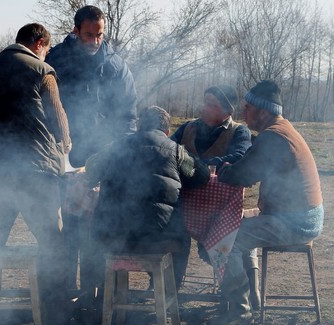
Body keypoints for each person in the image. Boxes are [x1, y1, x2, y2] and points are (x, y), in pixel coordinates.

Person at [0, 23, 72, 325]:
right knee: (53, 242)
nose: (47, 53)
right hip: (36, 173)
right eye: (47, 49)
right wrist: (65, 145)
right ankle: (55, 318)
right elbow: (58, 118)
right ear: (39, 43)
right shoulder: (42, 70)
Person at [210, 80, 324, 325]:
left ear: (263, 111)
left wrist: (224, 170)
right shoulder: (281, 130)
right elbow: (252, 164)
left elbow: (245, 174)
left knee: (225, 239)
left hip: (296, 221)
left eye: (248, 108)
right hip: (300, 215)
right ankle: (251, 298)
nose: (243, 113)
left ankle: (240, 310)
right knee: (233, 225)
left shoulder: (273, 138)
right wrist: (235, 168)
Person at [45, 4, 138, 294]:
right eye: (89, 35)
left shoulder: (116, 65)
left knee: (98, 230)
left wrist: (118, 153)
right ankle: (61, 296)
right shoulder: (56, 60)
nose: (95, 41)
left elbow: (128, 116)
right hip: (63, 158)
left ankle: (95, 297)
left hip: (103, 160)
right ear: (76, 31)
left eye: (100, 35)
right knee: (65, 230)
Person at [83, 106, 210, 303]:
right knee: (182, 239)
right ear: (167, 131)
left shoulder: (115, 147)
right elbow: (202, 176)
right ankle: (169, 294)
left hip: (115, 238)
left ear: (139, 126)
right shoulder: (176, 151)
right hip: (158, 239)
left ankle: (110, 294)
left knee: (93, 234)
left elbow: (90, 170)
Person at [171, 85, 259, 307]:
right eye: (205, 102)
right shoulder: (188, 128)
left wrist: (197, 166)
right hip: (186, 202)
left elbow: (241, 156)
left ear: (227, 112)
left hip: (221, 208)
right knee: (173, 231)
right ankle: (168, 288)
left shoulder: (239, 131)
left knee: (228, 241)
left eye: (212, 105)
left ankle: (248, 290)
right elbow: (167, 148)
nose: (205, 108)